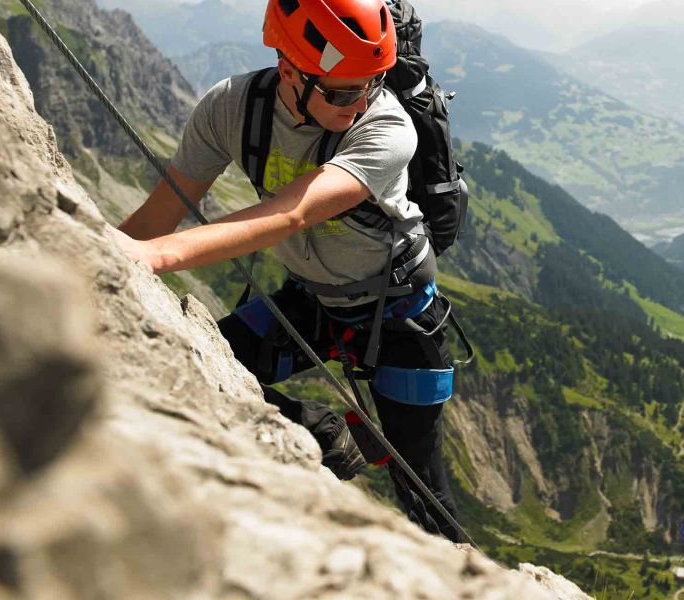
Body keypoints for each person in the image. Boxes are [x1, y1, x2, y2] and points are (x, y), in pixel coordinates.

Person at [113, 0, 461, 540]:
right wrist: (97, 250)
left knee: (422, 490)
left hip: (400, 317)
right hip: (313, 301)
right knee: (200, 365)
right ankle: (319, 435)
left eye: (371, 83)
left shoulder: (389, 128)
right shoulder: (231, 108)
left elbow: (290, 212)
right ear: (289, 69)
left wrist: (158, 255)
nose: (360, 102)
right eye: (343, 91)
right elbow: (157, 217)